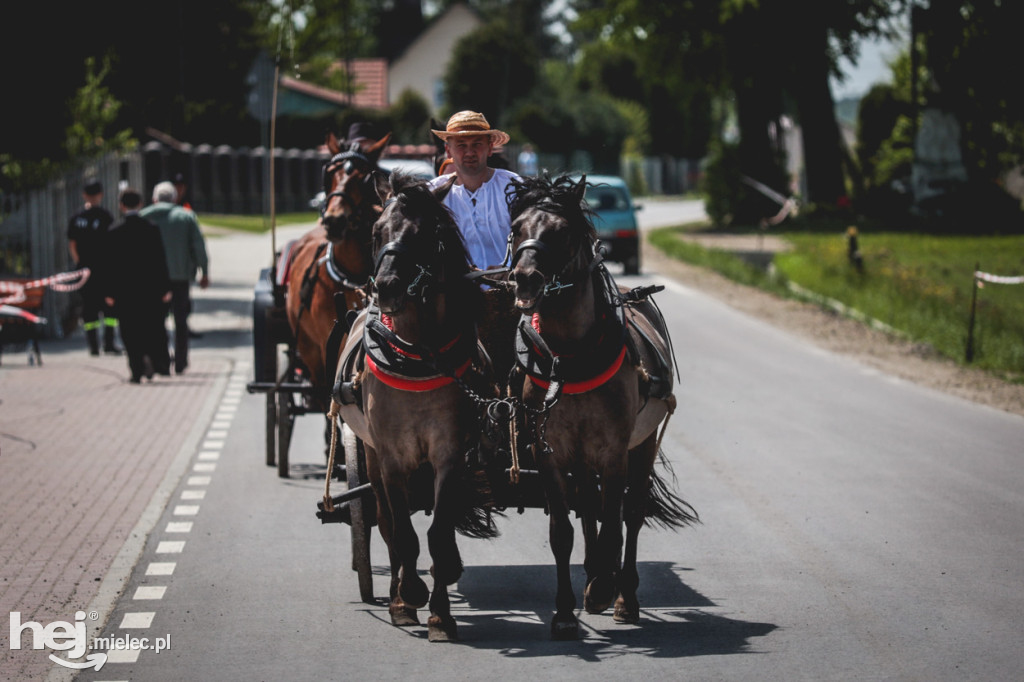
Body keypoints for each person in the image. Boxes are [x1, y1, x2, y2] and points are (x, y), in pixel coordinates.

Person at [428, 111, 521, 270]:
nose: (470, 152)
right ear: (448, 151)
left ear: (490, 148)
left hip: (512, 289)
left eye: (477, 144)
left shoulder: (513, 187)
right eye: (461, 145)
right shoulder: (431, 194)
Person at [140, 181, 209, 374]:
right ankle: (180, 361)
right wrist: (204, 272)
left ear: (154, 199)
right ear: (175, 198)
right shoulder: (185, 217)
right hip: (180, 277)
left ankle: (157, 361)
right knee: (180, 320)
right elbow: (198, 246)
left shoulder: (144, 217)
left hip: (151, 280)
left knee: (154, 320)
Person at [104, 189, 172, 383]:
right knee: (150, 326)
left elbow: (108, 265)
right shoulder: (151, 229)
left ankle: (136, 369)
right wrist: (165, 288)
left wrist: (109, 292)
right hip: (149, 290)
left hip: (125, 292)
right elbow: (160, 260)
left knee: (129, 330)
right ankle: (150, 357)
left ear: (121, 206)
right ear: (140, 204)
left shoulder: (115, 231)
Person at [67, 179, 121, 355]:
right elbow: (113, 244)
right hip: (104, 269)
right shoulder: (105, 216)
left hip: (85, 270)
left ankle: (93, 346)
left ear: (84, 195)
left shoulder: (77, 217)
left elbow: (72, 244)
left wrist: (79, 263)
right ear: (100, 195)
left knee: (89, 308)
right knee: (109, 307)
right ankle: (109, 343)